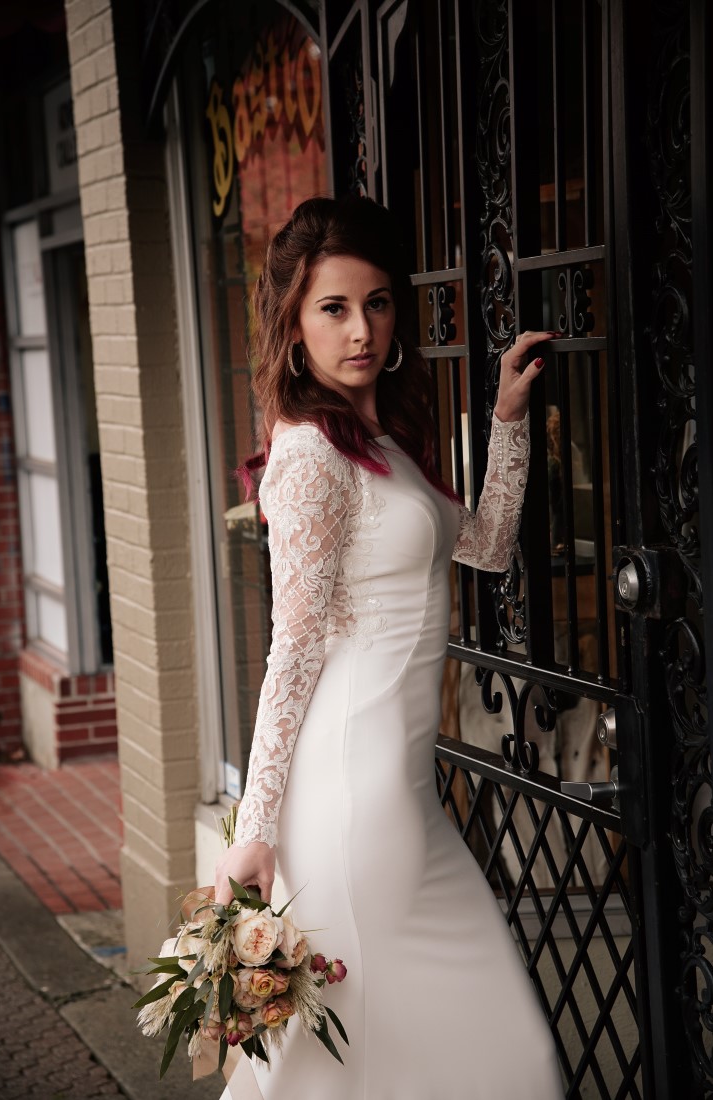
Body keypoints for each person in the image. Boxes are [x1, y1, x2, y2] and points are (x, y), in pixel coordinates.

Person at [215, 196, 564, 1099]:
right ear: (294, 327)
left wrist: (508, 419)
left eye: (376, 302)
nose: (361, 328)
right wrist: (254, 832)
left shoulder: (378, 443)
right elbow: (289, 653)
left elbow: (483, 545)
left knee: (464, 1057)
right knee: (437, 1061)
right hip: (350, 802)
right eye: (333, 308)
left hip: (400, 797)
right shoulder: (308, 461)